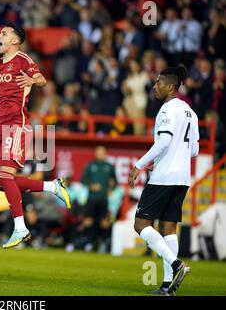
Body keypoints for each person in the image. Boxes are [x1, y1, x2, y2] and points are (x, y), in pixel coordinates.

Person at [0, 22, 72, 249]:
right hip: (0, 127)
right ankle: (53, 187)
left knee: (6, 176)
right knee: (1, 182)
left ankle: (20, 227)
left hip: (17, 125)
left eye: (4, 33)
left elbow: (42, 79)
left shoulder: (23, 60)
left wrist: (32, 80)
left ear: (15, 40)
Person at [128, 65, 199, 296]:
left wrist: (139, 164)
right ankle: (168, 286)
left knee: (141, 224)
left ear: (170, 86)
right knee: (168, 228)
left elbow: (164, 142)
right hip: (183, 177)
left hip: (165, 176)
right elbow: (195, 150)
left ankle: (177, 265)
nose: (155, 87)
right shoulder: (191, 112)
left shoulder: (168, 110)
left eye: (158, 83)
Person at [80, 146, 117, 253]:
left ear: (105, 154)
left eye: (102, 152)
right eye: (98, 152)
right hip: (91, 198)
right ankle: (88, 243)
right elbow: (83, 180)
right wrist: (91, 186)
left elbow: (114, 181)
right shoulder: (90, 165)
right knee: (88, 221)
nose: (100, 154)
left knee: (104, 222)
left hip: (103, 198)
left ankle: (104, 243)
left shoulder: (109, 167)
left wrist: (111, 188)